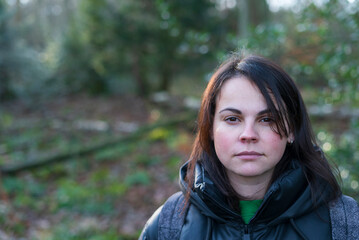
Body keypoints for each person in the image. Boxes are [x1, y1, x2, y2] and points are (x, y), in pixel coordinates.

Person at [139, 54, 359, 239]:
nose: (248, 135)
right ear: (210, 129)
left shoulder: (345, 224)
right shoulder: (167, 227)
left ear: (291, 130)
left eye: (267, 119)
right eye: (233, 119)